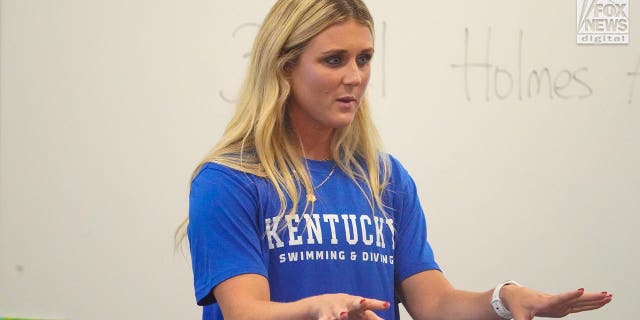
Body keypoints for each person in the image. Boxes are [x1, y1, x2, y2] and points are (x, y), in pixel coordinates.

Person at [176, 0, 613, 319]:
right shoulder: (230, 180)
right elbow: (245, 312)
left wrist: (502, 298)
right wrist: (316, 310)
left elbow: (435, 303)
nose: (355, 76)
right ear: (284, 68)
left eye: (364, 59)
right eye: (334, 60)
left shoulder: (385, 179)